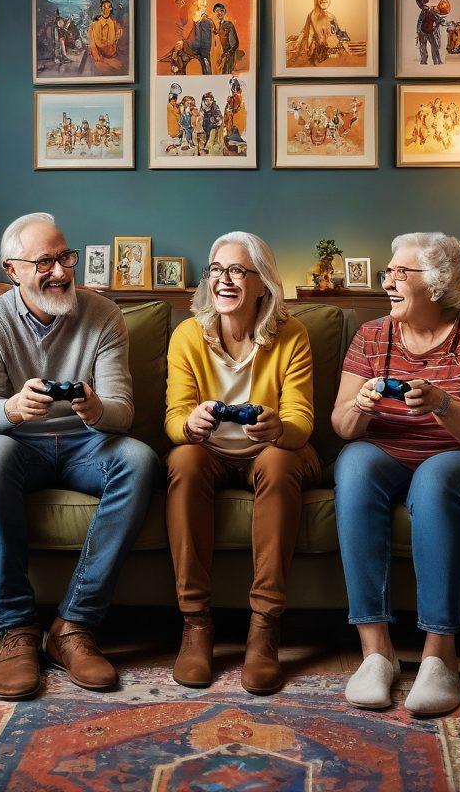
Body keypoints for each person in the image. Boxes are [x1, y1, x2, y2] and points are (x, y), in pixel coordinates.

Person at [0, 213, 161, 701]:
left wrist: (98, 408)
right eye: (44, 262)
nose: (60, 270)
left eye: (65, 257)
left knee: (139, 459)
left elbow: (124, 411)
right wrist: (11, 408)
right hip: (21, 445)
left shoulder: (103, 315)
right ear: (12, 270)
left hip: (85, 444)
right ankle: (17, 630)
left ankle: (73, 625)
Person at [331, 233, 460, 717]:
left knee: (432, 480)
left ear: (435, 284)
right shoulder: (372, 334)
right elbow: (343, 428)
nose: (387, 281)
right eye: (388, 271)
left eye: (398, 273)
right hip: (387, 450)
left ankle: (439, 655)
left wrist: (441, 404)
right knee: (354, 464)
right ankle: (375, 651)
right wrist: (362, 407)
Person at [164, 231, 320, 695]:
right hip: (210, 452)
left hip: (271, 452)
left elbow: (301, 419)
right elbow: (174, 415)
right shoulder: (188, 334)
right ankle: (195, 625)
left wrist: (279, 428)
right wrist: (190, 426)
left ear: (261, 283)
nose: (223, 280)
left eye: (236, 271)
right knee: (184, 461)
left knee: (277, 462)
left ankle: (264, 628)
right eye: (215, 270)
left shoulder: (291, 334)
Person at [87, 0, 124, 74]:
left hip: (112, 55)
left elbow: (115, 38)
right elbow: (92, 42)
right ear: (101, 7)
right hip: (99, 58)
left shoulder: (113, 23)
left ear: (111, 9)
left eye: (108, 7)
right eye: (103, 6)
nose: (105, 9)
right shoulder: (95, 23)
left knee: (118, 68)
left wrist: (117, 35)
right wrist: (97, 57)